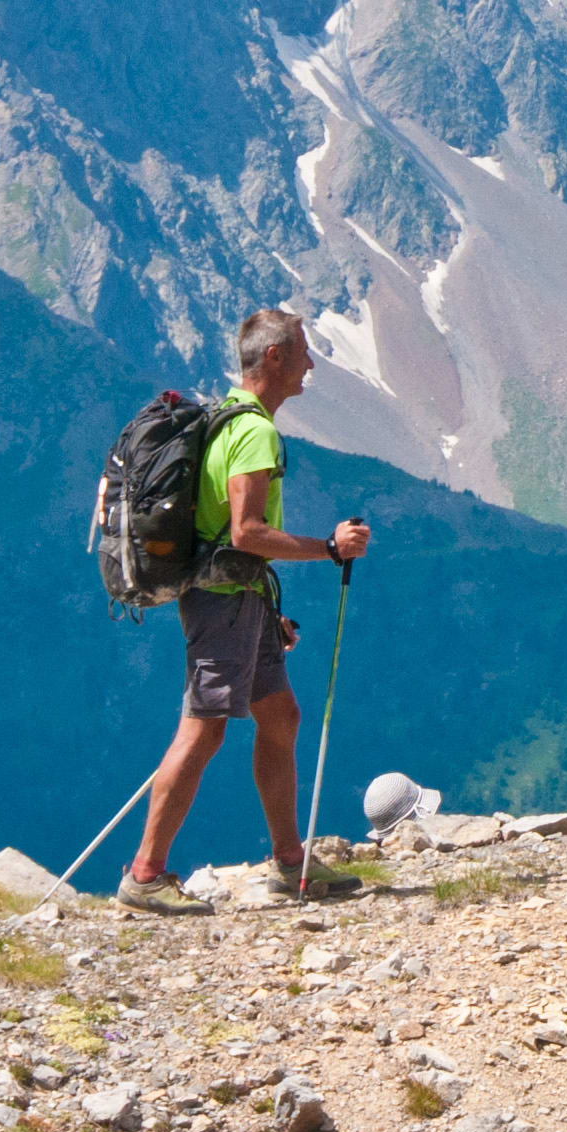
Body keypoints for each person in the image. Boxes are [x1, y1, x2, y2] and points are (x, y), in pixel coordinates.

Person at [120, 307, 372, 913]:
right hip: (222, 603)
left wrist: (265, 608)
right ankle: (145, 876)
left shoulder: (226, 419)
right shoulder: (254, 431)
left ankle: (289, 864)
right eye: (304, 352)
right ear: (276, 358)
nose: (312, 363)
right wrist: (330, 549)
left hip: (238, 600)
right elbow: (246, 533)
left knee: (280, 716)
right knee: (202, 732)